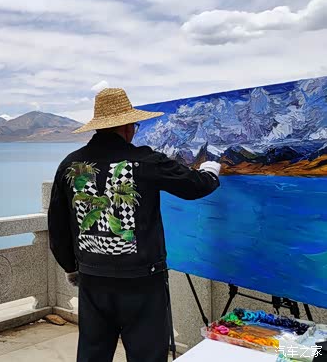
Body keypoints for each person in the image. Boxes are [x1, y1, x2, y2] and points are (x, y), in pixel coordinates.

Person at [47, 88, 221, 362]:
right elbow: (194, 186)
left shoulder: (70, 164)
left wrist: (70, 267)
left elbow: (56, 226)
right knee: (146, 355)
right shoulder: (145, 160)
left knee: (93, 353)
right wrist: (211, 172)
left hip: (92, 279)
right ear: (127, 127)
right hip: (142, 282)